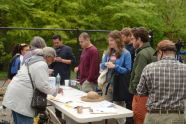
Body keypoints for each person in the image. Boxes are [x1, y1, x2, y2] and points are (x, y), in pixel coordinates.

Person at [2, 47, 63, 124]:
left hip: (15, 94)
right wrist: (55, 90)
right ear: (48, 56)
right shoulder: (42, 63)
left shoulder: (33, 59)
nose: (53, 61)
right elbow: (42, 85)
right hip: (21, 99)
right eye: (53, 59)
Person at [137, 40, 186, 124]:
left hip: (154, 116)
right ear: (174, 52)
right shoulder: (184, 69)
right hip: (177, 117)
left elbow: (140, 91)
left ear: (160, 52)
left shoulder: (149, 68)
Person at [100, 30, 131, 124]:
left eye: (112, 40)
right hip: (107, 85)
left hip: (119, 85)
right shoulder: (108, 52)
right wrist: (104, 61)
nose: (110, 43)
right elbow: (102, 67)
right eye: (109, 40)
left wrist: (115, 66)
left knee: (119, 110)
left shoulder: (126, 53)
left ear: (118, 40)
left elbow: (128, 69)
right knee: (106, 109)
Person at [129, 27, 156, 124]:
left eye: (133, 39)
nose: (131, 42)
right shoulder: (152, 51)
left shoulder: (142, 54)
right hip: (151, 93)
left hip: (141, 94)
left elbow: (138, 75)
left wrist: (133, 90)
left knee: (139, 118)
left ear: (139, 39)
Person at [120, 28, 135, 124]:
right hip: (123, 78)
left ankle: (130, 121)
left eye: (123, 37)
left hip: (129, 77)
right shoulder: (123, 47)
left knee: (129, 102)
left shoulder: (132, 48)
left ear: (130, 36)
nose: (122, 39)